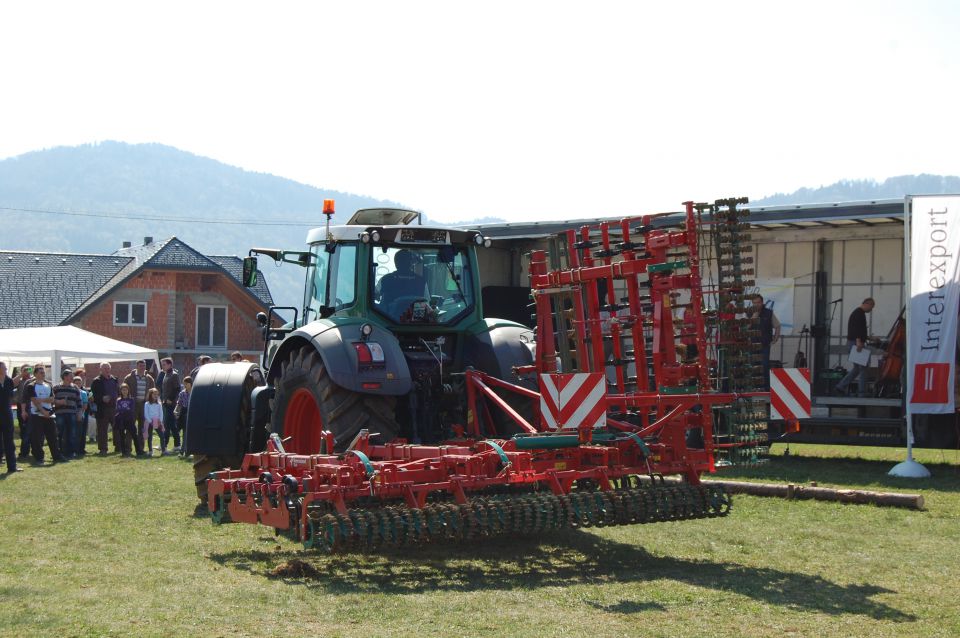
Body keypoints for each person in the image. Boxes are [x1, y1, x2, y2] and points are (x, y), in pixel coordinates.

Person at [24, 365, 66, 464]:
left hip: (49, 414)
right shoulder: (31, 386)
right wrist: (43, 412)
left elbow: (52, 399)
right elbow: (34, 401)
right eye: (41, 372)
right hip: (37, 414)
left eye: (43, 372)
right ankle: (39, 457)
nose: (43, 374)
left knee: (52, 436)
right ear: (35, 374)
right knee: (37, 438)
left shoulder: (48, 385)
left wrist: (42, 400)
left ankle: (56, 456)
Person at [836, 297, 875, 397]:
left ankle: (841, 386)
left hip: (853, 343)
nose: (871, 310)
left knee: (857, 369)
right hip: (855, 343)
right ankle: (862, 392)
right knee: (863, 368)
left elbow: (859, 330)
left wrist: (870, 338)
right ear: (867, 304)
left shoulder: (857, 313)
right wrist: (858, 342)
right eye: (871, 307)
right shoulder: (859, 314)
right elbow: (857, 329)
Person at [122, 360, 155, 452]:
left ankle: (140, 449)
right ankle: (127, 449)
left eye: (144, 366)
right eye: (140, 366)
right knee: (130, 427)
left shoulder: (149, 378)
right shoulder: (129, 378)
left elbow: (153, 392)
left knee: (143, 428)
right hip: (133, 405)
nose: (142, 367)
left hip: (145, 405)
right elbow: (123, 390)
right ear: (137, 366)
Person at [750, 294, 781, 390]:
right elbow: (744, 328)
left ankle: (766, 388)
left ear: (762, 303)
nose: (756, 304)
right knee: (753, 366)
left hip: (764, 344)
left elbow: (777, 326)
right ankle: (753, 388)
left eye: (758, 302)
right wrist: (753, 318)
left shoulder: (769, 313)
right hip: (752, 345)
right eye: (754, 303)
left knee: (764, 365)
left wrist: (775, 339)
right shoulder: (748, 313)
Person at [90, 362, 120, 455]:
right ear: (100, 370)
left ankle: (118, 447)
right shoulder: (96, 381)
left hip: (114, 407)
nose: (107, 370)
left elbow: (118, 392)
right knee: (102, 429)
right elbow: (93, 396)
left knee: (117, 428)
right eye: (104, 368)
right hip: (102, 409)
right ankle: (103, 449)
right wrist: (102, 398)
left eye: (108, 368)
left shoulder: (114, 379)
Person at [53, 369, 82, 459]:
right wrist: (59, 402)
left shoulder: (75, 388)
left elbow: (79, 401)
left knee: (72, 433)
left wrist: (79, 412)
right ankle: (59, 452)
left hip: (72, 414)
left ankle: (71, 452)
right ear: (65, 377)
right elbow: (51, 400)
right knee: (59, 433)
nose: (72, 377)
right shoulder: (56, 388)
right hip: (60, 414)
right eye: (70, 375)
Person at [0, 362, 22, 474]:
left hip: (7, 414)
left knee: (9, 440)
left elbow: (12, 394)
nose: (6, 369)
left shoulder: (8, 381)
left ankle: (12, 467)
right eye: (4, 368)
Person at [114, 384, 145, 457]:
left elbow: (131, 409)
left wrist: (124, 410)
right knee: (122, 436)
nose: (124, 391)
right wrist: (124, 410)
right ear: (121, 391)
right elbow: (118, 409)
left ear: (128, 391)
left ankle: (138, 451)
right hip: (121, 419)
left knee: (134, 435)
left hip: (129, 419)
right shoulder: (119, 400)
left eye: (126, 390)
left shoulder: (131, 400)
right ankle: (124, 452)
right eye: (123, 390)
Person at [159, 358, 181, 452]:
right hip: (165, 402)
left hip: (170, 403)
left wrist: (170, 399)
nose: (162, 366)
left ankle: (164, 444)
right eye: (162, 364)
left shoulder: (174, 375)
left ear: (170, 365)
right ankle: (177, 445)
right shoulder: (166, 374)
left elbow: (177, 388)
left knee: (167, 424)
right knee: (171, 425)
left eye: (164, 364)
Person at [15, 365, 33, 461]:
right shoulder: (20, 381)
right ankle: (25, 451)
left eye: (29, 370)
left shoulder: (33, 380)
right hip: (21, 406)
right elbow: (12, 383)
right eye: (25, 370)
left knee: (30, 430)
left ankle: (27, 450)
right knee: (24, 430)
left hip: (31, 406)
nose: (27, 372)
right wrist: (21, 374)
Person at [73, 373, 91, 453]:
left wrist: (80, 413)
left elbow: (85, 406)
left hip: (81, 415)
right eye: (76, 383)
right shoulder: (71, 391)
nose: (78, 384)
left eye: (79, 383)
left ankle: (81, 449)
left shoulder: (83, 393)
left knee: (82, 432)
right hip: (72, 414)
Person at [143, 388, 164, 455]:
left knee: (162, 436)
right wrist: (150, 421)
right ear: (150, 394)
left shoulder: (159, 404)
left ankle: (163, 450)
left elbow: (161, 413)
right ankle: (150, 451)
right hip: (149, 422)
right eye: (154, 394)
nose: (156, 395)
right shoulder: (147, 404)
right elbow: (146, 413)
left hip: (157, 421)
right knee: (150, 437)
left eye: (157, 394)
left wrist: (160, 421)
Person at [174, 376, 192, 458]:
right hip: (183, 414)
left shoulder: (195, 392)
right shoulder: (182, 393)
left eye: (186, 383)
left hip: (192, 413)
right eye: (184, 383)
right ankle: (183, 451)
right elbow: (179, 404)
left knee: (187, 434)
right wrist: (176, 410)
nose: (184, 385)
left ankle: (184, 451)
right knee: (184, 433)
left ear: (190, 383)